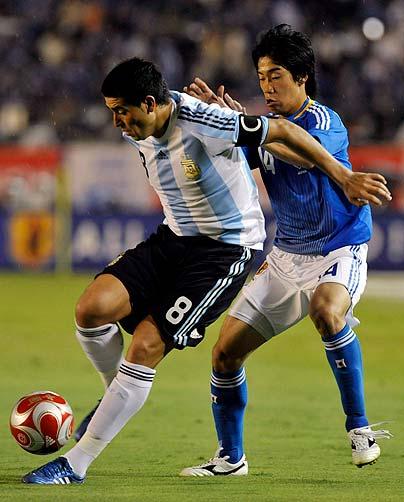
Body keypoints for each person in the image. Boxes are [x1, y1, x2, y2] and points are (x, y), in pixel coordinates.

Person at [22, 56, 390, 485]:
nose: (117, 121)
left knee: (146, 345)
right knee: (91, 310)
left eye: (122, 111)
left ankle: (76, 464)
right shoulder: (141, 127)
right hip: (174, 237)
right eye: (112, 112)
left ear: (150, 103)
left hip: (224, 251)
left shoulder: (203, 121)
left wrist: (344, 176)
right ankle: (114, 396)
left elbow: (285, 132)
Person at [180, 25, 393, 477]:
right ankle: (230, 458)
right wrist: (224, 125)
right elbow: (238, 161)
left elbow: (304, 154)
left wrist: (252, 130)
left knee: (327, 312)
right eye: (261, 77)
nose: (267, 86)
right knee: (224, 355)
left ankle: (360, 429)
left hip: (339, 249)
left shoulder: (323, 121)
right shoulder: (264, 127)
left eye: (275, 75)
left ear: (302, 77)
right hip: (285, 258)